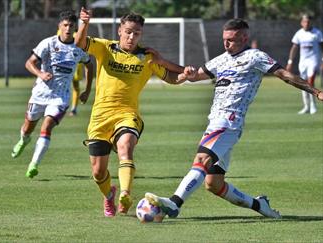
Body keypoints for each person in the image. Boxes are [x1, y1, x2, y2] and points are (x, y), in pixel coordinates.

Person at [145, 18, 323, 220]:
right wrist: (164, 63)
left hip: (229, 122)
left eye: (231, 39)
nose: (226, 43)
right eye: (224, 39)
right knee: (214, 183)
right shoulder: (221, 60)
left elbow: (284, 75)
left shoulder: (255, 57)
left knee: (201, 160)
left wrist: (316, 92)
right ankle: (260, 205)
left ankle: (175, 203)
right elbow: (193, 75)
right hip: (215, 122)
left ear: (244, 37)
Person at [75, 7, 185, 217]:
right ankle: (109, 195)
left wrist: (185, 74)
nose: (132, 36)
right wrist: (84, 23)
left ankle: (125, 194)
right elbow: (80, 43)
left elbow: (170, 77)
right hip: (100, 118)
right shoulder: (105, 48)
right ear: (120, 31)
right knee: (98, 172)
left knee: (125, 147)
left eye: (136, 33)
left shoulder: (146, 57)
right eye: (128, 31)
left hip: (127, 115)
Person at [11, 10, 94, 178]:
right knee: (28, 126)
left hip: (60, 98)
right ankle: (24, 140)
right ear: (59, 26)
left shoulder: (78, 50)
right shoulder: (48, 43)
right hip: (40, 94)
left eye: (71, 25)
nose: (68, 28)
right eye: (65, 25)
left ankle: (34, 164)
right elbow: (30, 63)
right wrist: (41, 74)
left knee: (46, 127)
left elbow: (90, 65)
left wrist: (87, 90)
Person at [286, 14, 323, 115]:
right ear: (301, 23)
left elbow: (321, 46)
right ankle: (306, 106)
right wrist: (290, 61)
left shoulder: (317, 33)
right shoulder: (299, 34)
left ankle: (313, 106)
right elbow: (294, 48)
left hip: (314, 60)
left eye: (308, 22)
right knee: (303, 83)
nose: (306, 23)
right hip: (303, 62)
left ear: (311, 22)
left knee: (310, 82)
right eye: (304, 22)